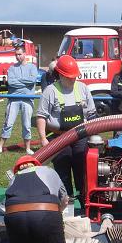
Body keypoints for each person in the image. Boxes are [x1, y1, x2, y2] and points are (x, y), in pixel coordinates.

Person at [36, 55, 96, 204]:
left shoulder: (82, 88)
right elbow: (41, 116)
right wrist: (43, 139)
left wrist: (93, 136)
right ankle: (66, 203)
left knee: (83, 169)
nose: (73, 79)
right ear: (61, 75)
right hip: (59, 138)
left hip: (80, 136)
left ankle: (85, 201)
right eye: (70, 77)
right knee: (63, 170)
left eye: (75, 76)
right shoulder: (50, 91)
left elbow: (92, 114)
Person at [0, 46, 38, 155]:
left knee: (27, 125)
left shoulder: (32, 67)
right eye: (16, 54)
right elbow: (11, 83)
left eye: (19, 54)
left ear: (24, 54)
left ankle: (27, 148)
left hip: (27, 100)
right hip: (13, 100)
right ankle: (0, 146)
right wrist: (25, 83)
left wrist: (20, 81)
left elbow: (32, 80)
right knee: (8, 123)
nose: (18, 56)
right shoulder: (11, 68)